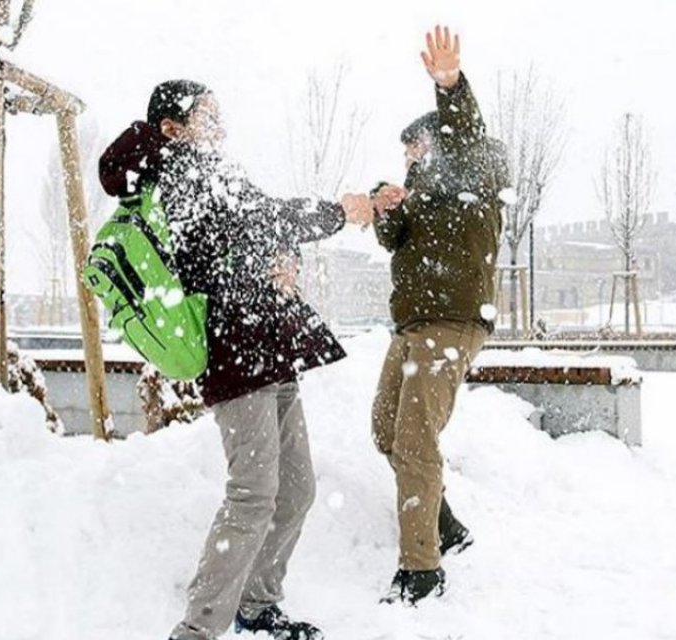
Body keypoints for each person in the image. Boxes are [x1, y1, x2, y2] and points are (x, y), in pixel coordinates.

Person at [99, 80, 374, 640]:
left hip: (270, 344)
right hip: (236, 351)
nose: (221, 126)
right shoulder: (177, 173)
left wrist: (285, 253)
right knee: (253, 493)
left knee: (297, 489)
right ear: (174, 127)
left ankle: (257, 603)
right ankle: (198, 629)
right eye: (207, 116)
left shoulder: (215, 171)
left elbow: (259, 224)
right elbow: (250, 223)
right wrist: (335, 214)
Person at [368, 26, 510, 605]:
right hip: (413, 327)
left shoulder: (476, 171)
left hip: (451, 324)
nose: (410, 159)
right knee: (386, 429)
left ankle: (421, 570)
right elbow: (392, 240)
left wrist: (449, 85)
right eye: (405, 154)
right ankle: (444, 523)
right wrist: (384, 204)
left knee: (415, 440)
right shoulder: (420, 195)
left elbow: (467, 134)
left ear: (440, 142)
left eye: (417, 149)